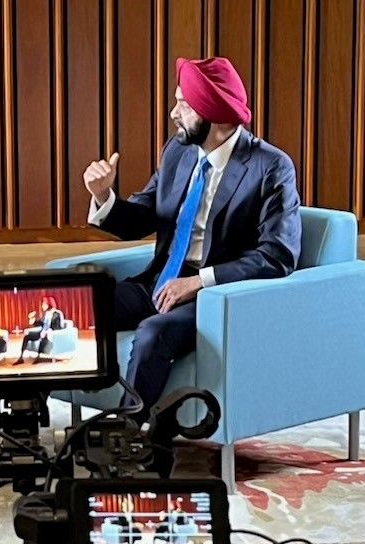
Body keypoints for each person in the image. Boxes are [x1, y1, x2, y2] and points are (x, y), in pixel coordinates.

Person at [83, 56, 301, 431]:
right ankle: (25, 424)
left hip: (213, 295)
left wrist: (200, 282)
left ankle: (123, 438)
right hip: (160, 280)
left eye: (183, 103)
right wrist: (104, 197)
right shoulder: (179, 152)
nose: (173, 112)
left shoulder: (271, 167)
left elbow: (278, 254)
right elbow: (145, 214)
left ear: (213, 112)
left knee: (153, 331)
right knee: (76, 305)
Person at [12, 296, 65, 365]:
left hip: (51, 335)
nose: (42, 306)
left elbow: (59, 327)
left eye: (43, 304)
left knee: (43, 337)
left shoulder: (57, 313)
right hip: (42, 333)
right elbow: (41, 324)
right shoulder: (46, 313)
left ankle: (38, 357)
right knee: (27, 337)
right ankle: (21, 358)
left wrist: (49, 331)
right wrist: (32, 319)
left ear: (49, 304)